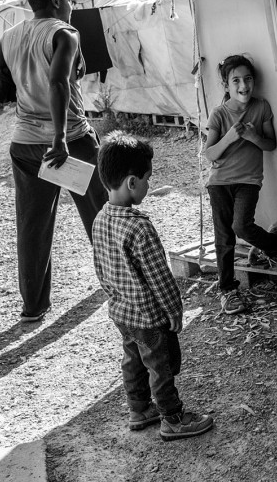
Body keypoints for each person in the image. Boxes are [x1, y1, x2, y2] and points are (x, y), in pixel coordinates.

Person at [0, 0, 108, 323]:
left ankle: (33, 307)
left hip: (24, 145)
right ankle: (116, 283)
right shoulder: (64, 33)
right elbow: (57, 81)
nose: (71, 5)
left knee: (33, 225)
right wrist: (59, 138)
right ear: (55, 1)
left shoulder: (8, 36)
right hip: (70, 141)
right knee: (100, 213)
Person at [92, 131, 214, 441]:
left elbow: (100, 269)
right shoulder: (139, 226)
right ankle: (172, 419)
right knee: (160, 366)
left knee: (132, 360)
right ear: (132, 182)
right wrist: (174, 310)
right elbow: (159, 277)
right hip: (149, 317)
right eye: (147, 179)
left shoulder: (100, 219)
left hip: (121, 313)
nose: (148, 185)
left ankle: (139, 409)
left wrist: (114, 298)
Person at [203, 54, 277, 315]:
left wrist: (252, 136)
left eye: (248, 79)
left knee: (241, 225)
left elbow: (271, 144)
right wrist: (229, 137)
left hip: (248, 180)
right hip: (219, 182)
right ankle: (228, 290)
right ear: (226, 85)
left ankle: (273, 243)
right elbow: (210, 154)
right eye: (236, 80)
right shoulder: (219, 114)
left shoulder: (261, 107)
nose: (243, 85)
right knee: (224, 238)